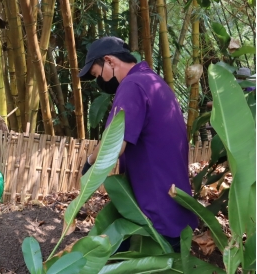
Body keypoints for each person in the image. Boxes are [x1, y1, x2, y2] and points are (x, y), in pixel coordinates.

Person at [78, 36, 198, 252]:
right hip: (174, 204)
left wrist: (89, 163)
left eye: (97, 74)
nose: (100, 81)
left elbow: (113, 145)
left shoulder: (132, 85)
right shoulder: (152, 81)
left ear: (110, 61)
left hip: (154, 209)